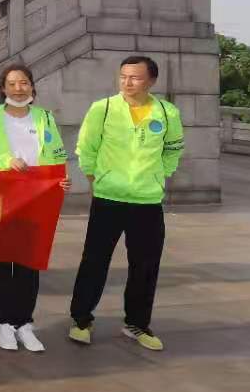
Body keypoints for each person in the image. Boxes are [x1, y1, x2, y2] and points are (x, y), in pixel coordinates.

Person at [69, 56, 185, 352]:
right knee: (94, 262)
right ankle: (81, 320)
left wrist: (160, 176)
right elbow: (86, 148)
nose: (127, 82)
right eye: (123, 76)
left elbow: (173, 149)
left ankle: (137, 324)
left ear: (151, 81)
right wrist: (96, 180)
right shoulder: (103, 108)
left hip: (147, 201)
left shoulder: (167, 112)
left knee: (145, 266)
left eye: (135, 77)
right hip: (108, 198)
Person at [0, 65, 70, 352]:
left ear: (32, 86)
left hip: (36, 200)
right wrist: (4, 161)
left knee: (29, 263)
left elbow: (56, 155)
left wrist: (59, 180)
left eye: (24, 83)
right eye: (12, 84)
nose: (18, 89)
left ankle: (24, 322)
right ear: (3, 88)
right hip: (2, 199)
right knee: (2, 262)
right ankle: (3, 323)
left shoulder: (44, 117)